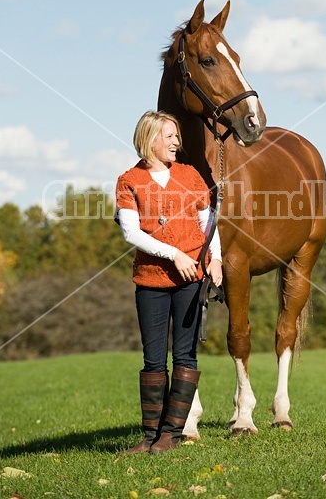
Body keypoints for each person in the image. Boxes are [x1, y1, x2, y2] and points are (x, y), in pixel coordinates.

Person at [115, 110, 222, 454]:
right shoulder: (129, 180)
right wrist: (173, 254)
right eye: (170, 135)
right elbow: (131, 232)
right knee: (153, 359)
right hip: (150, 280)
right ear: (150, 139)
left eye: (177, 135)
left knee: (185, 356)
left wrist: (215, 258)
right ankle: (149, 437)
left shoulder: (190, 176)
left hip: (192, 278)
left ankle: (171, 435)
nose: (177, 141)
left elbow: (208, 223)